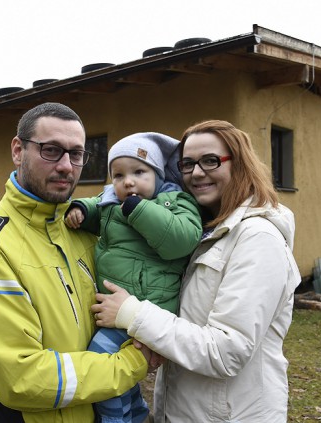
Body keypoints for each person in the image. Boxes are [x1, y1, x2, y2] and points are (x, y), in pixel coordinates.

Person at [0, 102, 152, 423]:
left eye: (77, 154)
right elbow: (22, 379)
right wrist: (133, 363)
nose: (67, 166)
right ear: (18, 150)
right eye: (52, 150)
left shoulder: (82, 230)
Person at [91, 120, 302, 422]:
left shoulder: (258, 238)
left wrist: (133, 315)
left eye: (210, 161)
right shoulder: (203, 231)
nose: (197, 172)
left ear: (239, 164)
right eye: (187, 164)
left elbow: (227, 350)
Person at [65, 132, 202, 422]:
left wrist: (139, 210)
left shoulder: (176, 201)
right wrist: (79, 210)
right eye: (118, 175)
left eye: (139, 172)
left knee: (101, 363)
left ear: (157, 173)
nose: (128, 181)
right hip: (119, 307)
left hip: (150, 305)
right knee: (117, 369)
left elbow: (181, 240)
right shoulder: (111, 202)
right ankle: (137, 414)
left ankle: (115, 420)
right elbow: (97, 209)